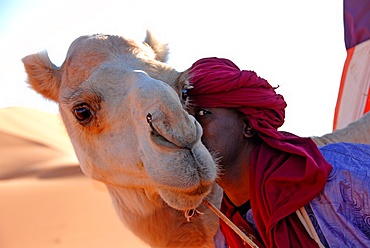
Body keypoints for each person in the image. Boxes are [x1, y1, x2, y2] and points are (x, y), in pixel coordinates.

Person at [186, 57, 370, 248]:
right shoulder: (228, 236)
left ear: (248, 125)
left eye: (201, 114)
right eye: (185, 118)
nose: (188, 130)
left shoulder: (342, 174)